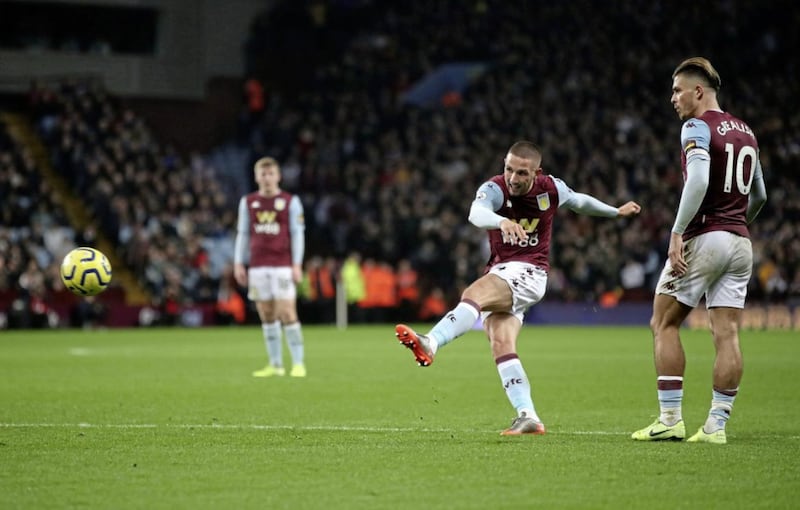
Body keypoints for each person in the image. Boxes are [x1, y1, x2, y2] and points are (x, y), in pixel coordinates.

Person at [395, 140, 641, 435]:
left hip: (531, 271)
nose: (513, 178)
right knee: (501, 343)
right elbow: (476, 212)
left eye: (522, 173)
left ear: (537, 172)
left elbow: (579, 201)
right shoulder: (495, 188)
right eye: (509, 169)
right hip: (504, 271)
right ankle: (528, 416)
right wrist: (501, 222)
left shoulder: (551, 189)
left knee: (472, 295)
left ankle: (431, 343)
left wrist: (615, 212)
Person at [631, 57, 767, 444]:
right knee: (727, 333)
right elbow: (759, 195)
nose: (672, 98)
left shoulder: (697, 126)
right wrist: (738, 222)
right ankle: (716, 427)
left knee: (663, 322)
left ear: (698, 91)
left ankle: (670, 419)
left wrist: (677, 233)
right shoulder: (746, 132)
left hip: (705, 237)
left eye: (677, 90)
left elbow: (700, 179)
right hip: (740, 242)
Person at [234, 157, 307, 377]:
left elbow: (297, 234)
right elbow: (243, 233)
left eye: (271, 174)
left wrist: (297, 263)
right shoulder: (248, 202)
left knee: (286, 310)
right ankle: (275, 364)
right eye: (263, 174)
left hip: (282, 265)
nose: (267, 178)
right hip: (257, 266)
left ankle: (298, 363)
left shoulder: (290, 201)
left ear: (278, 176)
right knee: (266, 313)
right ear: (256, 177)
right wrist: (239, 262)